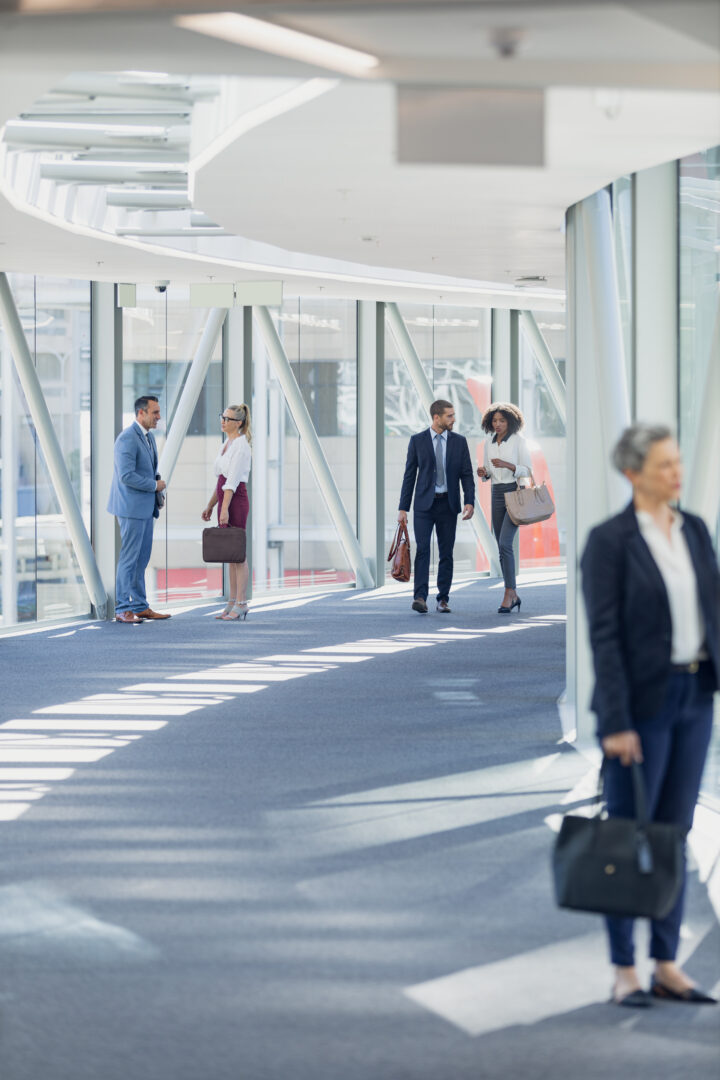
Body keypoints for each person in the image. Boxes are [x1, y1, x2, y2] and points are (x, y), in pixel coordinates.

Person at [581, 423, 719, 1008]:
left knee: (673, 834)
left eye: (677, 462)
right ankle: (624, 970)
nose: (676, 473)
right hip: (640, 707)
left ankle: (665, 963)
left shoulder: (695, 530)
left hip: (694, 699)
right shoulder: (609, 541)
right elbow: (604, 636)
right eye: (664, 464)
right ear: (633, 473)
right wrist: (615, 722)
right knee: (626, 836)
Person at [398, 399, 475, 614]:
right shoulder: (417, 441)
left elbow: (467, 475)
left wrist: (469, 501)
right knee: (422, 550)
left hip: (448, 505)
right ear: (436, 417)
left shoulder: (459, 442)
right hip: (424, 506)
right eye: (449, 416)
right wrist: (403, 508)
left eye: (453, 415)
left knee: (446, 553)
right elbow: (409, 476)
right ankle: (420, 597)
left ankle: (443, 599)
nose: (453, 419)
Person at [107, 395, 170, 623]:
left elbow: (147, 469)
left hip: (145, 508)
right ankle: (123, 608)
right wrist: (154, 485)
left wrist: (155, 486)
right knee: (129, 559)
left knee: (141, 559)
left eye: (159, 412)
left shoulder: (148, 437)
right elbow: (126, 476)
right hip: (130, 508)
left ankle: (140, 606)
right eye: (155, 412)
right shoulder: (127, 438)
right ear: (141, 413)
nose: (159, 417)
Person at [476, 402, 532, 613]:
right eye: (494, 421)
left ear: (511, 421)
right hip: (496, 493)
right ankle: (513, 593)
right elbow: (489, 471)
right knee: (501, 546)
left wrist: (509, 465)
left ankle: (509, 592)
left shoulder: (519, 441)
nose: (497, 424)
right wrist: (484, 473)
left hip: (514, 492)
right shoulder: (488, 443)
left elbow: (527, 470)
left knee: (505, 543)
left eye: (502, 420)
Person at [202, 404, 252, 621]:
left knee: (238, 555)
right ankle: (232, 600)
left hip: (235, 500)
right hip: (225, 498)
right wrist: (211, 505)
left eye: (228, 419)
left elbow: (231, 482)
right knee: (231, 555)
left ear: (238, 423)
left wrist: (224, 510)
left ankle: (242, 603)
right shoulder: (227, 443)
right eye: (222, 417)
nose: (223, 421)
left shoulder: (241, 446)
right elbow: (221, 480)